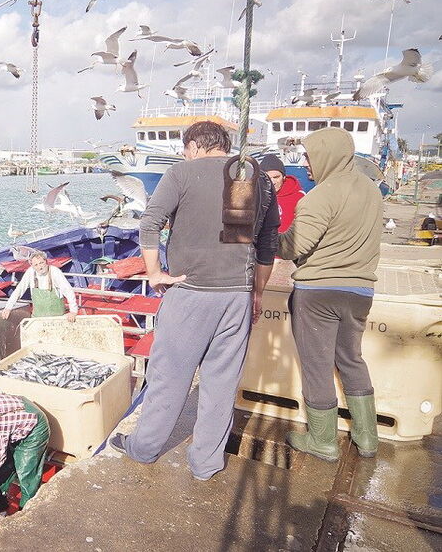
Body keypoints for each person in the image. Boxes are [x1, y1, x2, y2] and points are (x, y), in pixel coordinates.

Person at [110, 121, 279, 480]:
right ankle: (206, 464)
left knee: (169, 376)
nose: (185, 155)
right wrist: (258, 292)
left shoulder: (180, 173)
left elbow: (149, 224)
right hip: (238, 296)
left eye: (186, 149)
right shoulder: (259, 178)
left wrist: (155, 273)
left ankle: (143, 448)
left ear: (195, 146)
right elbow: (268, 242)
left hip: (190, 293)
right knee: (221, 383)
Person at [278, 128, 382, 461]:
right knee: (351, 359)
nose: (305, 163)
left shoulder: (320, 196)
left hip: (318, 294)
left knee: (317, 366)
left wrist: (261, 238)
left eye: (309, 156)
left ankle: (322, 440)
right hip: (360, 292)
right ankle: (367, 439)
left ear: (327, 155)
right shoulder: (371, 190)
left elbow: (294, 247)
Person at [0, 250, 78, 321]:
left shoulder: (55, 272)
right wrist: (8, 307)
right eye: (36, 265)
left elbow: (68, 291)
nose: (40, 267)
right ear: (32, 266)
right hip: (38, 318)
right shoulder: (30, 272)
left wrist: (73, 311)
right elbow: (19, 290)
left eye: (41, 263)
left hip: (57, 317)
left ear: (46, 262)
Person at [259, 154, 306, 233]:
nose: (272, 182)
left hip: (288, 243)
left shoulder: (299, 196)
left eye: (276, 177)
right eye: (268, 178)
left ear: (284, 177)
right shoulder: (255, 196)